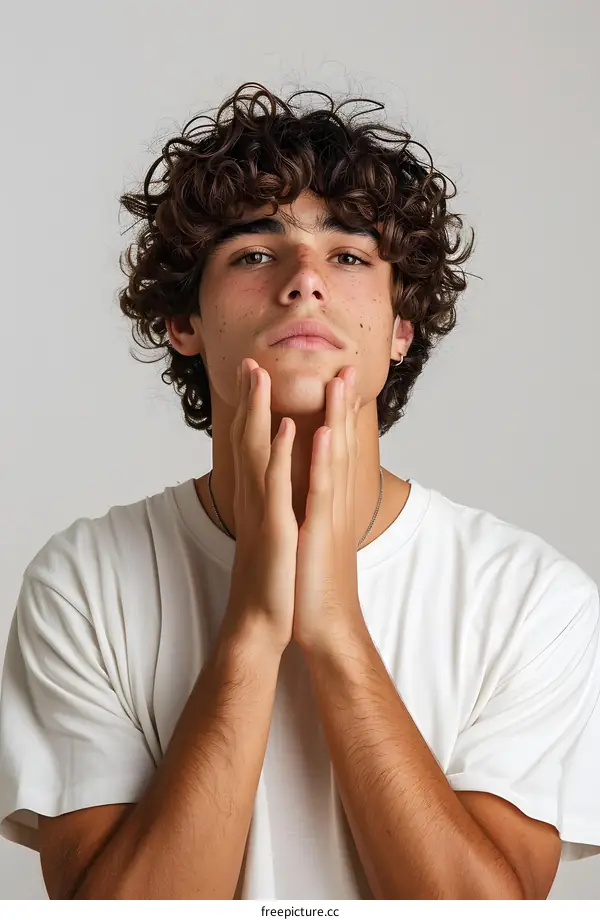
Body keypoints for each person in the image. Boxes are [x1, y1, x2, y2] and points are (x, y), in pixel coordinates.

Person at [0, 82, 599, 901]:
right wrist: (252, 626)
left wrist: (335, 631)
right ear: (184, 322)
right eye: (254, 254)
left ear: (399, 328)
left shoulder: (533, 599)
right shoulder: (83, 584)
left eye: (349, 256)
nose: (305, 280)